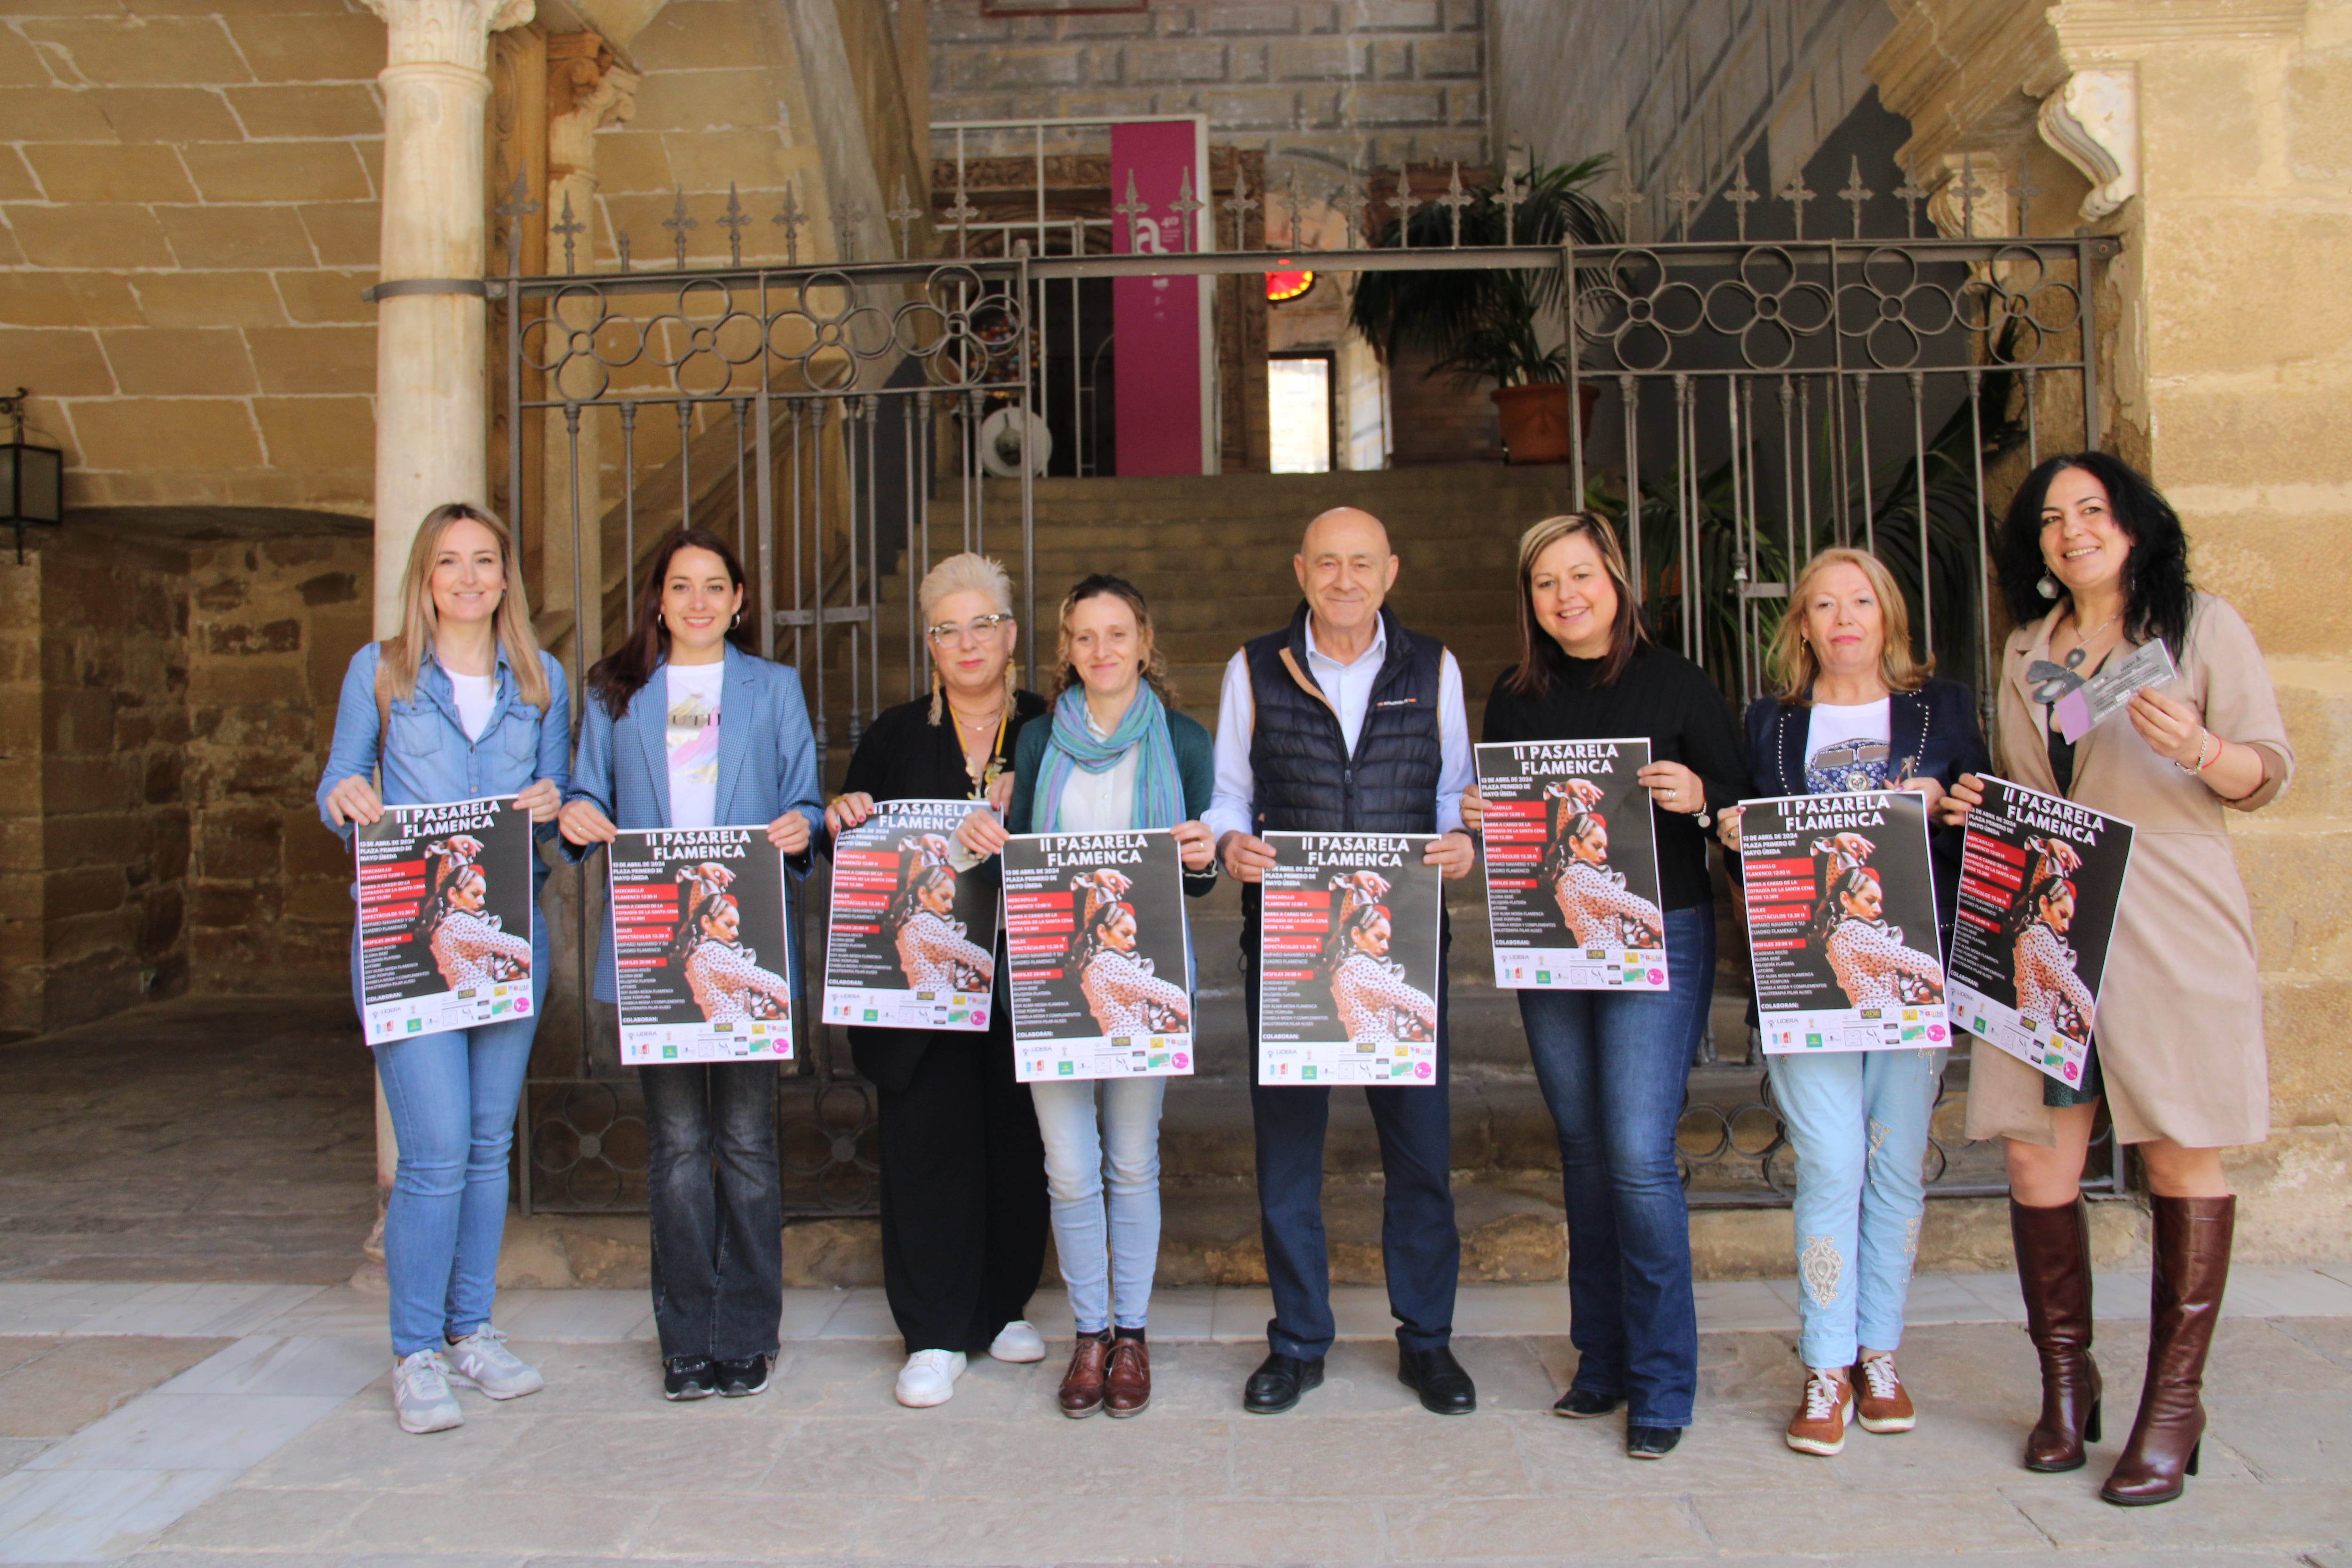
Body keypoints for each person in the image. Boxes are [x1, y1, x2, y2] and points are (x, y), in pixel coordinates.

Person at [1940, 453, 2292, 1507]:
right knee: (2038, 1165)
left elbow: (2268, 771)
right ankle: (2065, 1382)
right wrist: (1977, 802)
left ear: (2133, 524)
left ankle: (2172, 1408)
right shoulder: (2026, 649)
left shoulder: (2194, 629)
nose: (2071, 530)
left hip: (2164, 923)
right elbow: (2038, 781)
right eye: (2051, 519)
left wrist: (2203, 745)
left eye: (2092, 511)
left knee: (2183, 1156)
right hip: (2044, 925)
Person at [1461, 512, 1747, 1458]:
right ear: (1529, 600)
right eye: (1546, 583)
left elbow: (1747, 814)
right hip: (1553, 941)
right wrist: (1482, 812)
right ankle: (1603, 1358)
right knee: (1582, 1148)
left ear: (1616, 580)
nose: (1565, 596)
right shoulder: (1513, 695)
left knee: (1634, 1150)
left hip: (1656, 938)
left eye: (1580, 575)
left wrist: (1702, 799)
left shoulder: (1678, 683)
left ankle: (1664, 1377)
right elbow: (1514, 832)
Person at [1206, 508, 1480, 1419]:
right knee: (1289, 1159)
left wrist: (1458, 843)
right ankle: (1296, 1343)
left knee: (1421, 1158)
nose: (1344, 578)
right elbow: (1226, 803)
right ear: (1300, 569)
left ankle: (1427, 1344)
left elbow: (1453, 794)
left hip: (1401, 950)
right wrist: (1231, 847)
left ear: (1391, 571)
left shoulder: (1433, 666)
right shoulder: (1252, 668)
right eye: (1326, 562)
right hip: (1291, 951)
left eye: (1361, 562)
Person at [1719, 551, 1988, 1455]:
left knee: (1897, 1166)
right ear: (1800, 624)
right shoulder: (1771, 724)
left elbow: (1984, 822)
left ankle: (1880, 1353)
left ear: (1888, 616)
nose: (1843, 617)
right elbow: (1749, 844)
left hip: (1914, 974)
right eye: (1823, 604)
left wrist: (1949, 803)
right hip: (1810, 980)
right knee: (1832, 1162)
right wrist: (1731, 828)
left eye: (1860, 600)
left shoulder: (1939, 711)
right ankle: (1826, 1361)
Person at [316, 501, 568, 1435]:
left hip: (509, 939)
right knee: (431, 1153)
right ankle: (416, 1350)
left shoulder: (540, 683)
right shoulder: (379, 671)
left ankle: (472, 1328)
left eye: (485, 561)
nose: (468, 578)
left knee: (484, 1146)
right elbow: (337, 784)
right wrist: (343, 796)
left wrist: (554, 801)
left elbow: (565, 815)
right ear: (425, 577)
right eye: (449, 562)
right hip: (409, 941)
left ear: (507, 576)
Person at [559, 528, 823, 1403]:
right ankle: (684, 1337)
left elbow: (805, 800)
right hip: (656, 945)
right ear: (659, 600)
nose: (700, 600)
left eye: (717, 585)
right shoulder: (616, 691)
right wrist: (581, 814)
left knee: (746, 1141)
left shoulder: (774, 687)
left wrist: (800, 827)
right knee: (676, 1146)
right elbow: (587, 789)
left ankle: (747, 1331)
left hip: (746, 940)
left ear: (740, 600)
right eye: (682, 586)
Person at [962, 573, 1217, 1420]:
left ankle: (1133, 1333)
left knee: (1132, 1158)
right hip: (1055, 979)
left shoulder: (1182, 739)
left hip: (1145, 978)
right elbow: (1022, 858)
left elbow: (1206, 871)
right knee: (1069, 1169)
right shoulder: (1037, 741)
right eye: (1084, 636)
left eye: (1117, 634)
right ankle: (1089, 1332)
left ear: (1145, 642)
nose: (1101, 650)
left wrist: (1200, 854)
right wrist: (987, 836)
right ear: (1066, 650)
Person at [825, 553, 1050, 1410]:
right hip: (922, 990)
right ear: (929, 642)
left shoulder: (1049, 726)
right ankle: (931, 1331)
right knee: (928, 1146)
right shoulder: (891, 735)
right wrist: (843, 815)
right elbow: (853, 839)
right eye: (948, 627)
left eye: (982, 623)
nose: (967, 641)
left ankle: (1001, 1308)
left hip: (1025, 976)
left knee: (1016, 1144)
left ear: (1011, 633)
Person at [1542, 784, 1665, 947]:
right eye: (1597, 846)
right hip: (1603, 950)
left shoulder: (1567, 875)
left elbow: (1565, 828)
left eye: (1604, 848)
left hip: (1595, 951)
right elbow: (1632, 904)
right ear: (1574, 843)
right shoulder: (1580, 874)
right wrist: (1658, 927)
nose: (1604, 855)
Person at [1320, 878, 1437, 1047]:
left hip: (1361, 1045)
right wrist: (1432, 1020)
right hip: (1378, 1044)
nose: (1386, 946)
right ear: (1357, 935)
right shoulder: (1360, 966)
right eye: (1379, 938)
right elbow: (1415, 999)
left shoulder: (1342, 969)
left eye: (1387, 940)